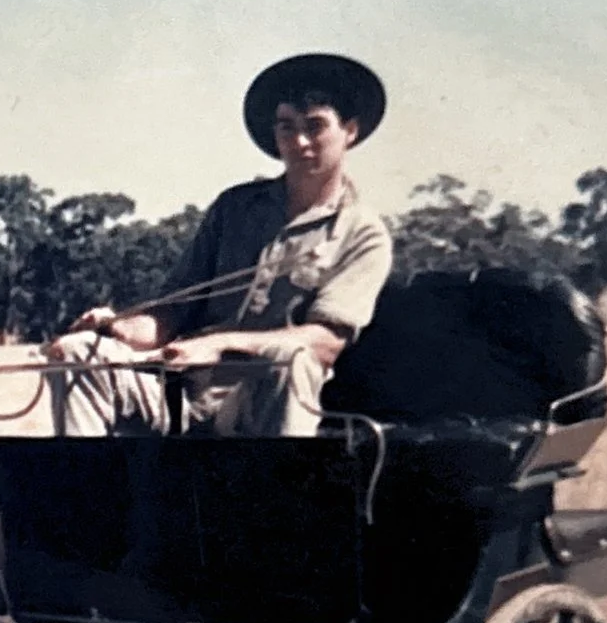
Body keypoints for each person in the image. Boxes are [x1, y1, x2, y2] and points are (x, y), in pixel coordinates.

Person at [43, 52, 394, 438]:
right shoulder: (235, 208)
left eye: (315, 126)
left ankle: (282, 492)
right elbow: (172, 312)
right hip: (181, 389)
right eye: (286, 127)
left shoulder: (364, 233)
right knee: (80, 353)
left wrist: (217, 345)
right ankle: (83, 491)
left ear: (350, 131)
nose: (299, 141)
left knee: (291, 359)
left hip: (263, 404)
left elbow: (324, 343)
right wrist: (119, 328)